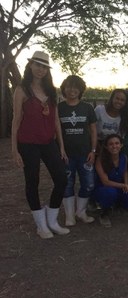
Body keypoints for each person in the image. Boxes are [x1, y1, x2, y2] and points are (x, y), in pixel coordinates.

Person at [11, 51, 69, 239]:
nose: (40, 69)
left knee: (61, 178)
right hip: (27, 143)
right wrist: (14, 149)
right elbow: (16, 120)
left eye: (44, 66)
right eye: (37, 65)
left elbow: (56, 121)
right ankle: (40, 224)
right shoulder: (22, 90)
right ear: (30, 66)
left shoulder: (52, 91)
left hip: (48, 142)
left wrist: (61, 146)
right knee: (32, 181)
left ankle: (52, 220)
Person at [58, 75, 97, 226]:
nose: (72, 90)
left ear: (80, 89)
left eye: (75, 87)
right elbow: (57, 131)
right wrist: (60, 150)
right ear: (64, 89)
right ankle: (69, 216)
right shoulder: (59, 108)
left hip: (85, 154)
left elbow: (93, 131)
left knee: (89, 184)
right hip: (66, 155)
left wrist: (93, 150)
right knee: (67, 184)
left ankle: (80, 212)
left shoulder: (87, 108)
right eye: (69, 86)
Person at [94, 134, 128, 227]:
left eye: (117, 143)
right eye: (111, 144)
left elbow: (125, 172)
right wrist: (125, 186)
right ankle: (104, 213)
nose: (114, 146)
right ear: (106, 146)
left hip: (119, 188)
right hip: (104, 189)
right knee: (110, 193)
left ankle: (118, 204)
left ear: (121, 145)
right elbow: (105, 182)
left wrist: (126, 183)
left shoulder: (124, 157)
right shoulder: (100, 160)